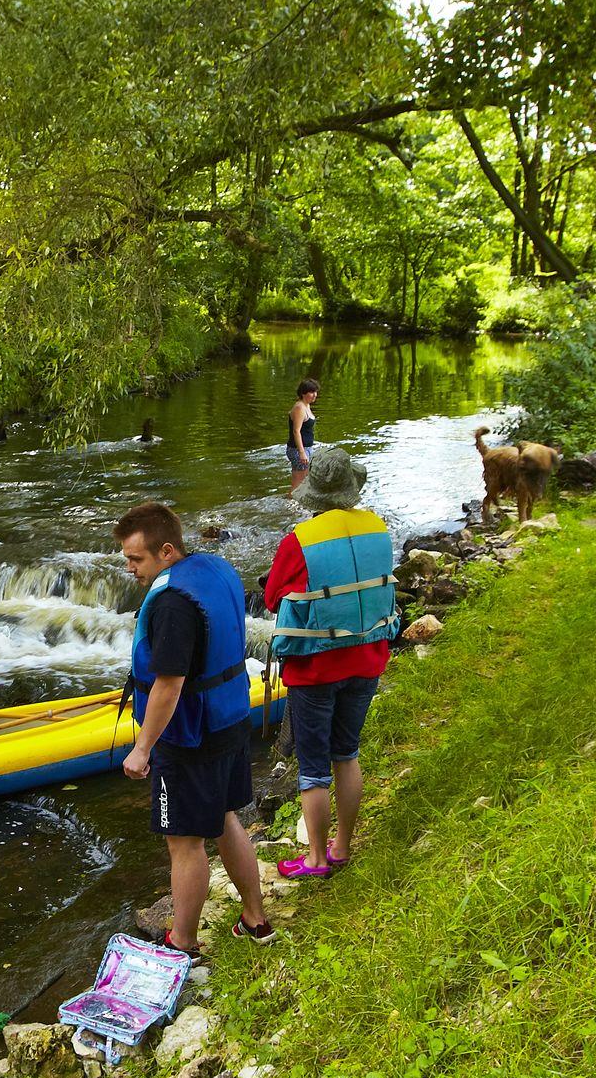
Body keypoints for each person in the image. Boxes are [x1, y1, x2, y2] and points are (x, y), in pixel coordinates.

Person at [115, 502, 273, 956]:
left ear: (166, 551)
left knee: (184, 841)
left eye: (136, 559)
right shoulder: (215, 569)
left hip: (189, 735)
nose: (130, 569)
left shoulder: (170, 603)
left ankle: (181, 942)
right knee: (225, 820)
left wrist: (142, 748)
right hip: (230, 719)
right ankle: (255, 920)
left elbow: (169, 683)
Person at [261, 447, 396, 879]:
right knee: (347, 754)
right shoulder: (378, 528)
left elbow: (270, 598)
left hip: (316, 669)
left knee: (314, 767)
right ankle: (342, 846)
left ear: (314, 493)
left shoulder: (300, 540)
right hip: (367, 657)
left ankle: (316, 858)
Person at [286, 379, 320, 491]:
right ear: (303, 393)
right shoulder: (299, 408)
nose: (315, 395)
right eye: (311, 392)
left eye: (316, 392)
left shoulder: (306, 406)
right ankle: (291, 507)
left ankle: (297, 506)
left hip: (306, 448)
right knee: (298, 484)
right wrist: (302, 453)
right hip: (298, 450)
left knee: (304, 481)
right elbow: (296, 431)